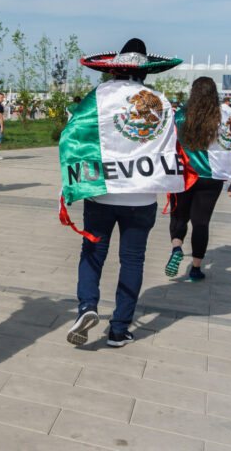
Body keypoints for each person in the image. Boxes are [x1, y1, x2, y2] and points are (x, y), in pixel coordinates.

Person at [59, 38, 185, 348]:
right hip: (141, 197)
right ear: (145, 72)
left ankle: (87, 306)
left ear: (114, 69)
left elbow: (73, 134)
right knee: (132, 261)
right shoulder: (159, 101)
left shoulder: (98, 96)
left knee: (93, 253)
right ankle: (119, 329)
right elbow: (170, 145)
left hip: (102, 192)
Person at [165, 77, 231, 282]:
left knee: (179, 217)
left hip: (184, 174)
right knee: (201, 222)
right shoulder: (222, 116)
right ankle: (196, 269)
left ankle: (177, 247)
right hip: (211, 176)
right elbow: (227, 148)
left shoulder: (180, 115)